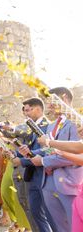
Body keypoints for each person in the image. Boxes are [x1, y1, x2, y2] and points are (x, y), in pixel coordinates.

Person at [25, 87, 82, 232]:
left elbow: (76, 154)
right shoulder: (51, 125)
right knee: (59, 228)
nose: (48, 106)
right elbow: (49, 150)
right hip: (48, 183)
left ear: (63, 98)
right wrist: (31, 153)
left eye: (51, 101)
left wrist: (44, 162)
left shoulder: (77, 123)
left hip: (70, 183)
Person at [12, 98, 56, 232]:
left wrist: (23, 161)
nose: (26, 113)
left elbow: (49, 150)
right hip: (31, 176)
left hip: (44, 175)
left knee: (49, 216)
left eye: (28, 110)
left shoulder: (48, 126)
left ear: (37, 109)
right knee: (36, 213)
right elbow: (28, 149)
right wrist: (15, 154)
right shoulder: (30, 126)